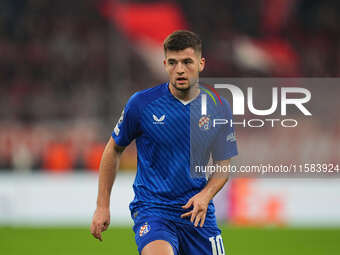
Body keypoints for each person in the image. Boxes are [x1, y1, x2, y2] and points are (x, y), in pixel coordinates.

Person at [90, 30, 238, 255]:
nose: (180, 69)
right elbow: (114, 149)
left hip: (197, 214)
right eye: (173, 62)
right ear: (165, 64)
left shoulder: (218, 107)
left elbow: (223, 165)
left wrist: (205, 195)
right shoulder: (142, 104)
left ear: (201, 63)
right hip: (154, 209)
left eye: (187, 62)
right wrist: (102, 205)